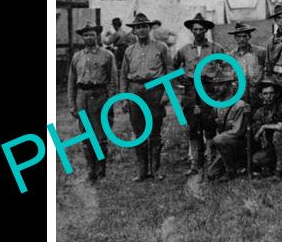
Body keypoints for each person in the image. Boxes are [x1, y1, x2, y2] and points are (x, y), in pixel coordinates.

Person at [119, 12, 171, 182]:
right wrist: (124, 98)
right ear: (133, 31)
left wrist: (166, 93)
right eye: (138, 27)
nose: (141, 30)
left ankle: (155, 170)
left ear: (150, 28)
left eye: (144, 26)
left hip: (155, 90)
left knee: (155, 132)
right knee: (139, 131)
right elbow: (123, 75)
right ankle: (142, 171)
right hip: (135, 90)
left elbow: (169, 71)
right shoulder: (129, 50)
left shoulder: (161, 47)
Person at [174, 13, 226, 177]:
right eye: (195, 29)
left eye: (201, 29)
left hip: (208, 90)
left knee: (210, 126)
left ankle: (211, 160)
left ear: (206, 30)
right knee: (193, 127)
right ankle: (196, 164)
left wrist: (219, 84)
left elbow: (226, 66)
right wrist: (181, 78)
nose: (198, 32)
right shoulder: (184, 50)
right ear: (191, 30)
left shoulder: (215, 48)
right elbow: (173, 67)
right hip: (190, 91)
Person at [67, 23, 117, 182]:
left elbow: (113, 80)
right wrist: (72, 104)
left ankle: (101, 169)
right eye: (86, 35)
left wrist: (111, 101)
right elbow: (71, 82)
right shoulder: (77, 57)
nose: (89, 37)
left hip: (100, 97)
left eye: (92, 34)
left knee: (100, 135)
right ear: (82, 37)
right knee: (86, 136)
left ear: (97, 36)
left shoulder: (107, 55)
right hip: (82, 97)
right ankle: (91, 170)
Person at [205, 71, 252, 182]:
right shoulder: (217, 105)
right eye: (215, 84)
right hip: (226, 145)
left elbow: (237, 132)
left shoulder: (239, 105)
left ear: (228, 85)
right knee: (211, 174)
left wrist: (218, 139)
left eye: (220, 84)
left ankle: (231, 172)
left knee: (219, 139)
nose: (216, 88)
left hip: (240, 144)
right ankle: (234, 166)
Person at [252, 76, 282, 178]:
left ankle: (280, 171)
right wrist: (260, 132)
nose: (269, 96)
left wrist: (264, 127)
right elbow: (255, 137)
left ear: (276, 94)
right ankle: (271, 168)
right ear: (260, 96)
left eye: (271, 93)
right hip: (271, 147)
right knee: (256, 159)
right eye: (265, 94)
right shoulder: (260, 112)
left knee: (278, 134)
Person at [228, 22, 266, 107]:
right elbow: (229, 76)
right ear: (235, 38)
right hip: (240, 96)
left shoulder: (260, 52)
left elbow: (267, 71)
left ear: (249, 37)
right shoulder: (231, 56)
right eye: (239, 36)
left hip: (257, 94)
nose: (242, 39)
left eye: (244, 36)